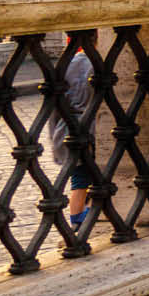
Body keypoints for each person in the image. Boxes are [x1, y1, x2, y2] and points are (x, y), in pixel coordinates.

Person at [48, 45, 97, 229]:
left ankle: (79, 216)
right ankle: (78, 216)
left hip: (67, 127)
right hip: (91, 126)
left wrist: (54, 137)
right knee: (87, 176)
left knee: (79, 175)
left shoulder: (67, 63)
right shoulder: (97, 63)